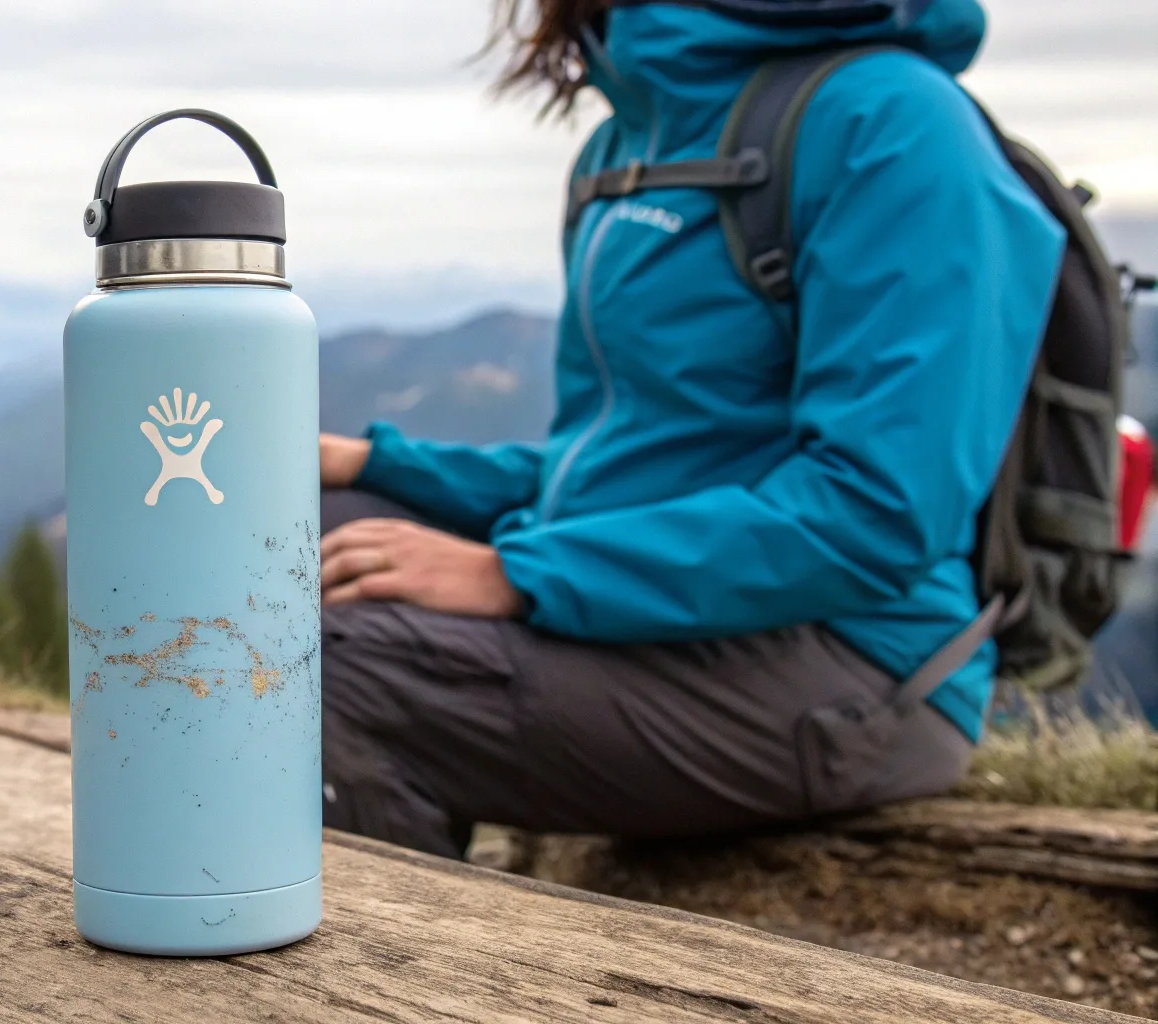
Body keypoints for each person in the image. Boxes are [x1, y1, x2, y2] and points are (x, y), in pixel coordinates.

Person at [316, 0, 1065, 859]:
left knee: (320, 670)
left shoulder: (894, 123)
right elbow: (609, 469)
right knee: (294, 539)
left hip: (855, 667)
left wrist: (516, 575)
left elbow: (878, 509)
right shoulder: (628, 142)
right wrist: (379, 462)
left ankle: (414, 981)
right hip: (670, 609)